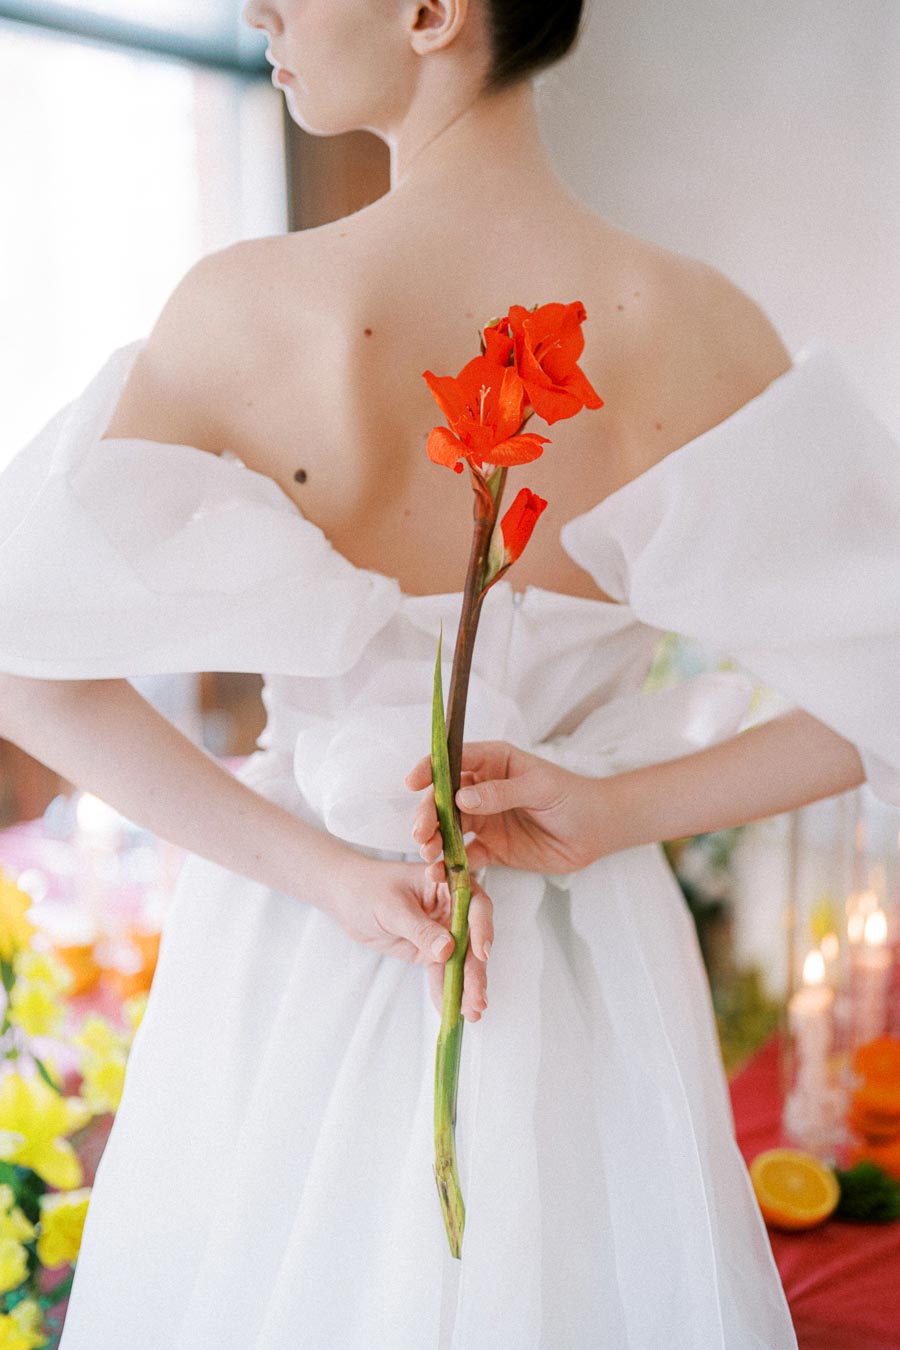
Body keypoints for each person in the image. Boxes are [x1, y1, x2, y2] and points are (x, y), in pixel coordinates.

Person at [1, 0, 898, 1345]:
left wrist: (327, 876)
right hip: (588, 951)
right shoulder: (695, 321)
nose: (262, 10)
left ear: (432, 11)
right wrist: (611, 810)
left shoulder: (245, 308)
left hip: (300, 945)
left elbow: (27, 665)